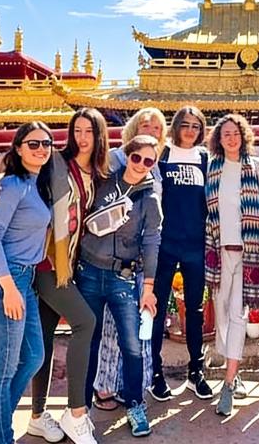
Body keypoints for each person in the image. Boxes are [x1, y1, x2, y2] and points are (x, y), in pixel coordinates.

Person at [0, 109, 105, 444]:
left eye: (89, 131)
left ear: (99, 135)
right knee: (83, 322)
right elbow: (9, 193)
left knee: (39, 350)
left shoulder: (94, 170)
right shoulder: (55, 164)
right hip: (37, 269)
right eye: (77, 130)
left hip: (49, 269)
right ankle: (72, 415)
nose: (82, 137)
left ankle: (24, 420)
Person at [76, 135, 162, 437]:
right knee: (88, 341)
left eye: (149, 161)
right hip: (89, 271)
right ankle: (80, 409)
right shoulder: (102, 182)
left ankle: (135, 405)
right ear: (127, 156)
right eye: (136, 158)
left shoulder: (149, 199)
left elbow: (152, 242)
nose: (141, 165)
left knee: (132, 346)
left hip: (122, 277)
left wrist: (148, 288)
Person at [0, 122, 53, 444]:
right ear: (18, 148)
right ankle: (2, 437)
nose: (41, 149)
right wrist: (8, 287)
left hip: (25, 278)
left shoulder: (37, 182)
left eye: (46, 143)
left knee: (33, 357)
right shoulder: (13, 185)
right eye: (33, 144)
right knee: (4, 369)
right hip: (4, 281)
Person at [95, 107, 167, 411]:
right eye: (145, 125)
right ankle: (105, 386)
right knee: (112, 327)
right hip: (112, 258)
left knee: (139, 326)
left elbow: (154, 222)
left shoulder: (156, 165)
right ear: (134, 129)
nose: (151, 130)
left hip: (141, 258)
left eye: (157, 127)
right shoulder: (117, 159)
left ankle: (131, 387)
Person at [204, 114, 259, 416]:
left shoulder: (255, 167)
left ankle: (227, 384)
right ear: (219, 138)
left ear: (243, 136)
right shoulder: (211, 168)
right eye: (226, 134)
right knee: (222, 315)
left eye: (236, 133)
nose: (231, 138)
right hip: (218, 250)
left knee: (238, 315)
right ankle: (235, 369)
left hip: (247, 252)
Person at [149, 106, 212, 401]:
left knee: (195, 310)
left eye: (195, 126)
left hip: (195, 244)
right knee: (157, 308)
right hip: (165, 243)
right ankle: (155, 371)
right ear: (176, 126)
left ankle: (196, 371)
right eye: (185, 124)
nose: (189, 130)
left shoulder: (204, 158)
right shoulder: (163, 154)